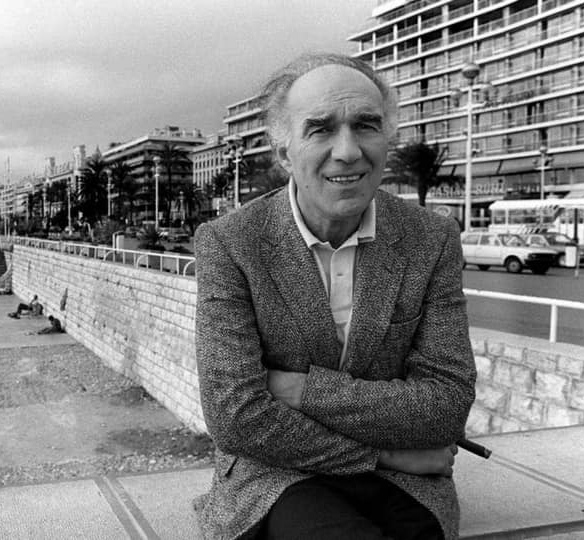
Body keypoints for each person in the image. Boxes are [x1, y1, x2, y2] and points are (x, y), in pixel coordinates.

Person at [193, 52, 476, 540]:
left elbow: (447, 404)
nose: (347, 151)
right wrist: (383, 453)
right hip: (277, 471)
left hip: (407, 483)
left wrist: (299, 390)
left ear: (387, 140)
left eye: (365, 125)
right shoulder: (231, 242)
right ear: (285, 153)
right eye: (321, 129)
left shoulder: (430, 238)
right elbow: (235, 417)